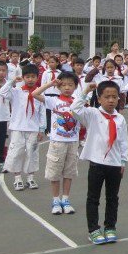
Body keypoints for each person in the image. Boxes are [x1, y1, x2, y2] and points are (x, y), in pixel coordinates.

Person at [72, 81, 127, 244]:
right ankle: (93, 230)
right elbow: (75, 109)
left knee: (112, 198)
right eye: (107, 97)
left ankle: (110, 227)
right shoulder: (92, 114)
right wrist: (85, 91)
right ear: (99, 98)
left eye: (114, 97)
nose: (111, 100)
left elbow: (124, 141)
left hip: (115, 164)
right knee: (93, 198)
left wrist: (123, 161)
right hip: (97, 164)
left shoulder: (120, 119)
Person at [33, 72, 81, 215]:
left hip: (72, 141)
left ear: (75, 86)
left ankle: (65, 199)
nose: (67, 87)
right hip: (57, 142)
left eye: (70, 85)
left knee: (69, 172)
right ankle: (55, 200)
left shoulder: (77, 101)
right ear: (59, 86)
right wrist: (50, 84)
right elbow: (35, 94)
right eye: (64, 84)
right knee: (54, 172)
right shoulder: (53, 101)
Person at [0, 65, 45, 191]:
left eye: (33, 77)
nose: (30, 79)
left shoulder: (40, 93)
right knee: (16, 152)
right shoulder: (16, 92)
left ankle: (30, 178)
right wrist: (12, 81)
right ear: (23, 77)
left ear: (37, 77)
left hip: (33, 128)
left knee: (32, 153)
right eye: (28, 77)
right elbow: (2, 92)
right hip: (18, 128)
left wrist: (41, 129)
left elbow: (42, 112)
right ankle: (17, 178)